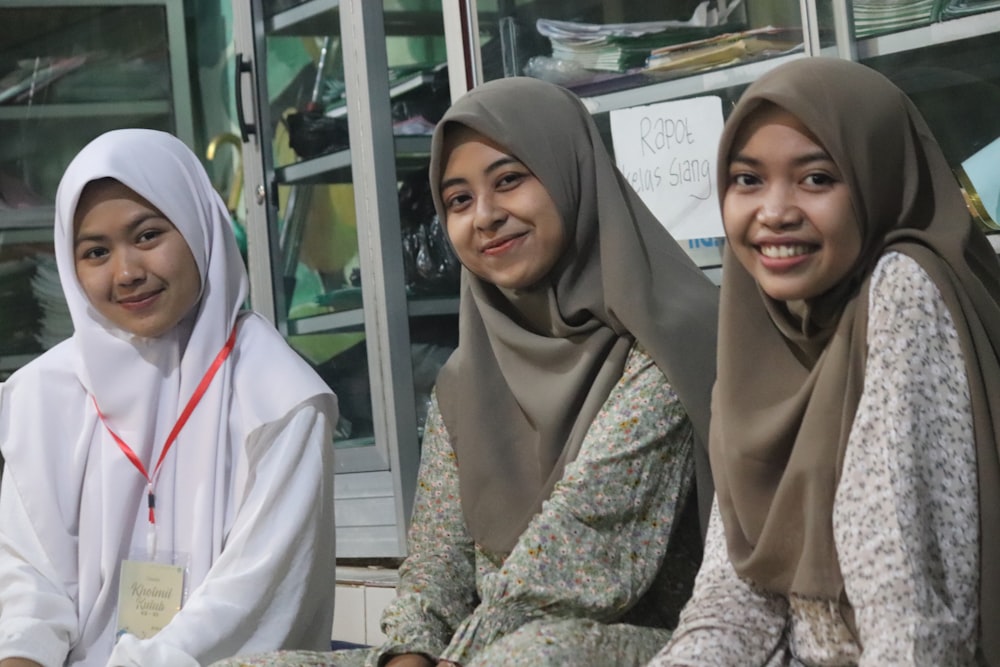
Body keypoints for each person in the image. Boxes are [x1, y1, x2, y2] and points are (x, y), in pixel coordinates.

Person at [209, 76, 719, 667]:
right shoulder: (466, 379)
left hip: (637, 644)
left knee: (535, 654)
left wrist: (458, 658)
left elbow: (583, 557)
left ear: (572, 173)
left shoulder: (666, 342)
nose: (485, 217)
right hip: (482, 648)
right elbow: (434, 570)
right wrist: (407, 656)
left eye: (509, 181)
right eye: (458, 200)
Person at [647, 57, 1000, 666]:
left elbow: (911, 618)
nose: (775, 211)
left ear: (876, 179)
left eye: (815, 179)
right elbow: (735, 594)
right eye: (747, 180)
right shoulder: (760, 323)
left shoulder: (903, 288)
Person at [0, 129, 339, 667]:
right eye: (95, 252)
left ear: (199, 224)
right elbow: (27, 575)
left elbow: (254, 602)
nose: (128, 272)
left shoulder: (279, 397)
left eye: (148, 235)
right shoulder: (43, 399)